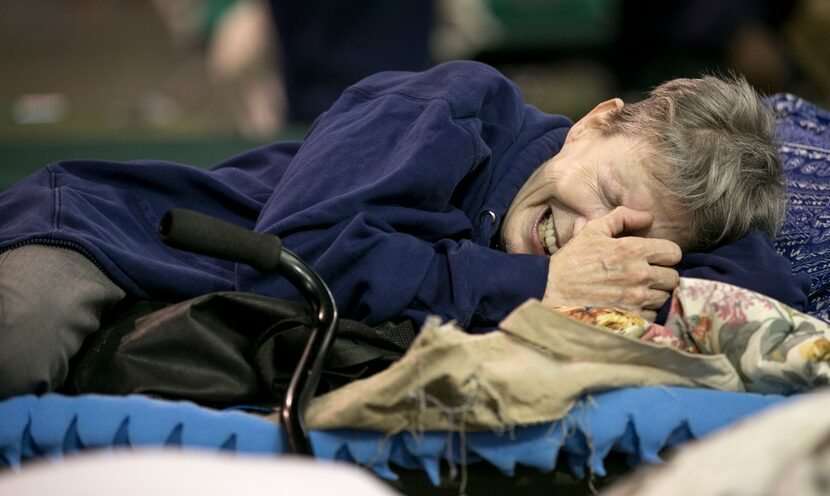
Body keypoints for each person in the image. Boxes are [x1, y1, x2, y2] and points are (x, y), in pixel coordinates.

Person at [0, 61, 809, 398]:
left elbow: (773, 292)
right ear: (593, 123)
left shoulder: (620, 250)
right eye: (603, 190)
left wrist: (674, 250)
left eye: (627, 231)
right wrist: (540, 288)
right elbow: (310, 249)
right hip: (120, 247)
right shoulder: (457, 107)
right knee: (17, 335)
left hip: (207, 326)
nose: (587, 235)